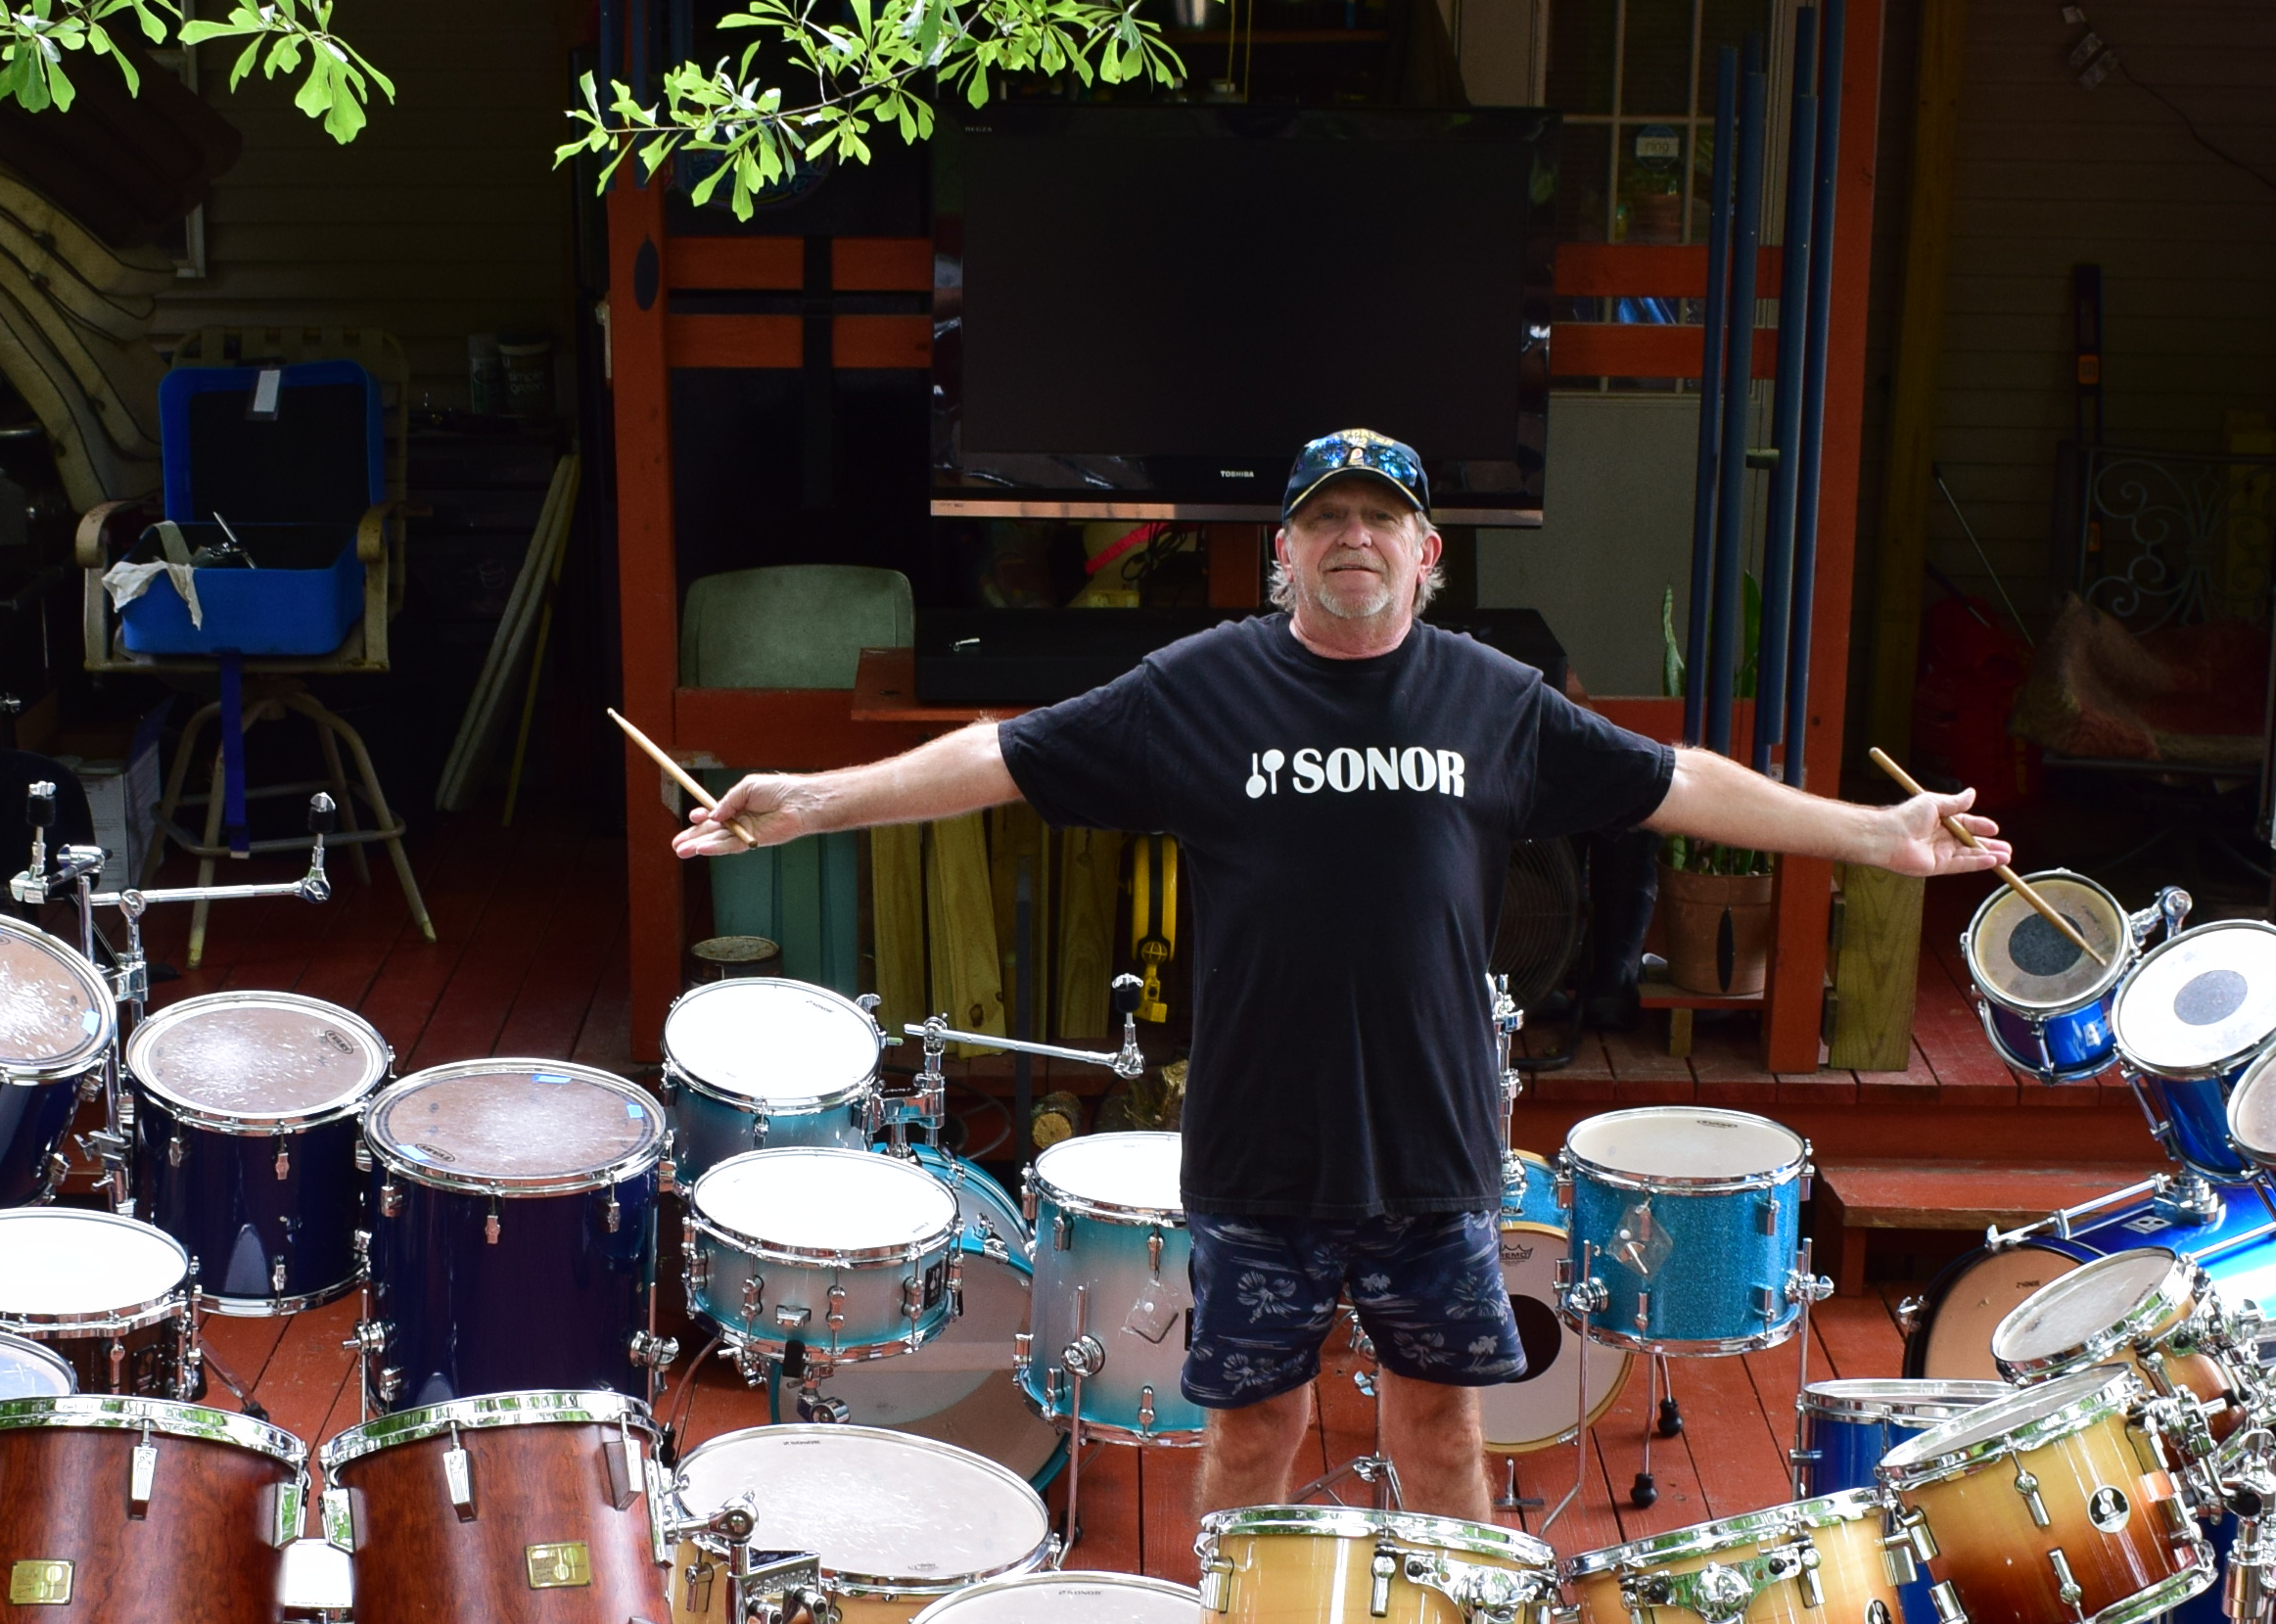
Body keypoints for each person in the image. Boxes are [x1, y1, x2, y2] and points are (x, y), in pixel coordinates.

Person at [674, 427, 2011, 1525]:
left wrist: (1876, 836)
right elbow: (998, 755)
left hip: (1432, 1151)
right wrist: (813, 801)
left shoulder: (1494, 700)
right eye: (1325, 519)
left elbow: (1679, 784)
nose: (1353, 537)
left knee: (1441, 1432)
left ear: (1428, 555)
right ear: (1286, 553)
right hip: (1260, 1152)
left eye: (1382, 519)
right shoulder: (1199, 689)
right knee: (1254, 1433)